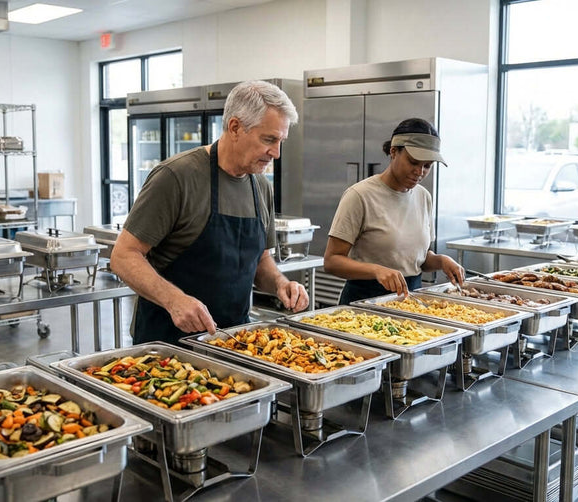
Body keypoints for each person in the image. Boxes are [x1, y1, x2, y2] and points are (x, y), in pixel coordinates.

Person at [111, 80, 309, 345]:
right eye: (269, 139)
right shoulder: (176, 177)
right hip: (168, 344)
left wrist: (280, 284)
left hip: (232, 341)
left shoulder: (260, 186)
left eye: (281, 141)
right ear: (235, 127)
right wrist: (174, 300)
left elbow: (260, 261)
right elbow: (124, 256)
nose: (276, 152)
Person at [324, 118, 465, 304]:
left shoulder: (423, 197)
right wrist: (376, 270)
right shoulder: (359, 196)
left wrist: (441, 261)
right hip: (364, 304)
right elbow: (332, 261)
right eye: (413, 162)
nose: (420, 172)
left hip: (409, 302)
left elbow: (416, 258)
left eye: (427, 166)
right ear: (393, 151)